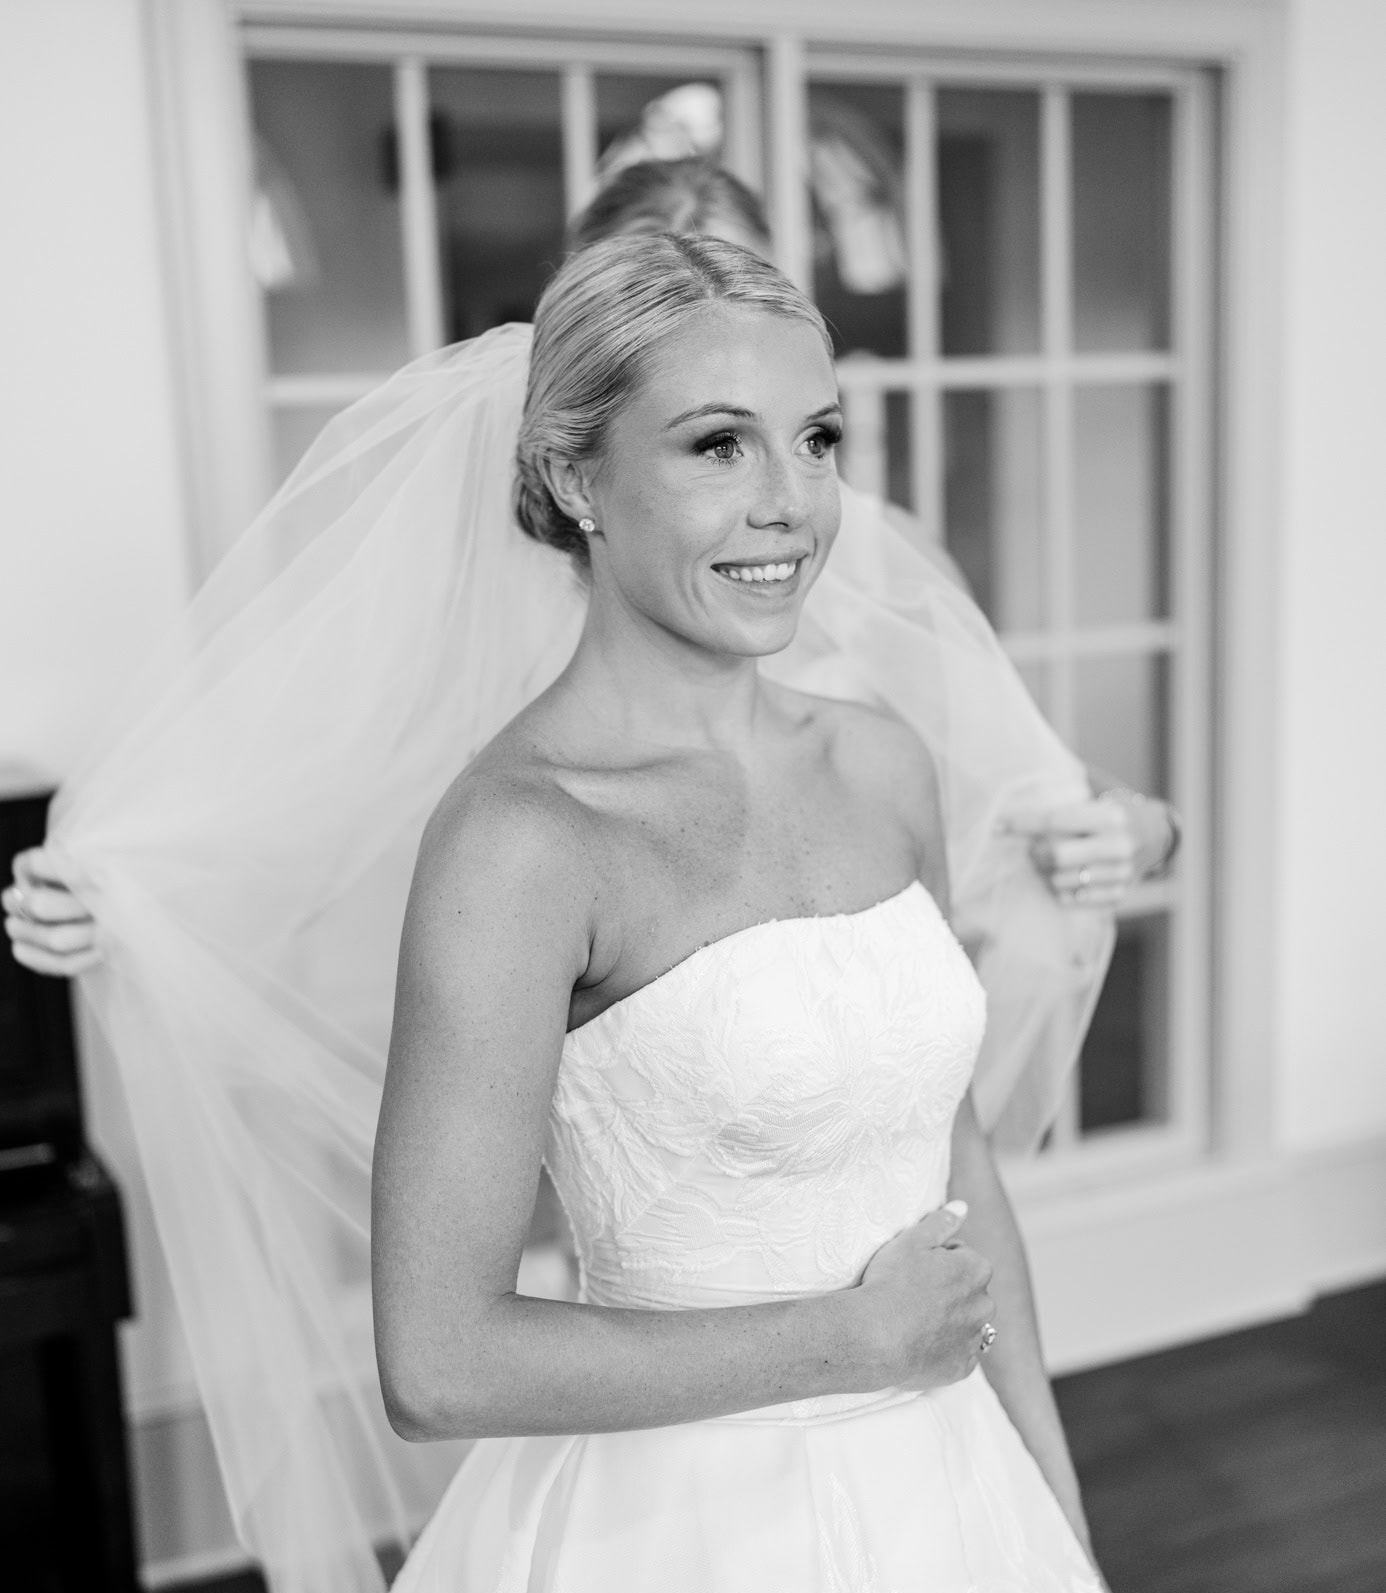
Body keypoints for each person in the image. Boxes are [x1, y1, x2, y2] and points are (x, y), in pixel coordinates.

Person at [261, 231, 1215, 1593]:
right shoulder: (522, 840)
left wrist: (1061, 1529)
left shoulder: (879, 761)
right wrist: (838, 1343)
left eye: (818, 437)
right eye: (717, 445)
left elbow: (956, 1163)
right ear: (574, 473)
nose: (792, 501)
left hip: (948, 1519)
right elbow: (434, 1356)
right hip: (675, 1571)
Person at [5, 160, 1180, 986]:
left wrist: (1138, 830)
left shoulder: (864, 546)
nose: (774, 487)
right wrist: (126, 894)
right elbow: (315, 784)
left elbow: (1038, 785)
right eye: (710, 428)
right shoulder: (471, 582)